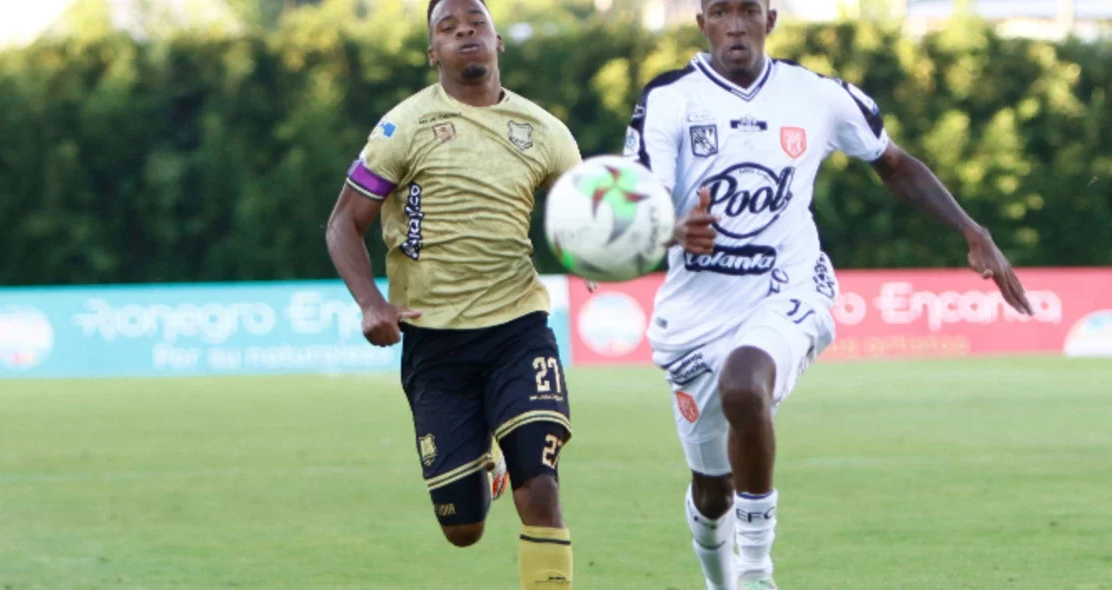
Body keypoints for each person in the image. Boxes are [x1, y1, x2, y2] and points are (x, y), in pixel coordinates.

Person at [623, 1, 1032, 588]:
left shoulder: (818, 96)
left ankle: (759, 571)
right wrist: (668, 227)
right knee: (712, 492)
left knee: (745, 384)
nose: (735, 23)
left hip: (789, 287)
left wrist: (973, 231)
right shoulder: (669, 98)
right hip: (694, 313)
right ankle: (723, 581)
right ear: (702, 23)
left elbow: (893, 164)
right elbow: (643, 198)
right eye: (721, 11)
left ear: (771, 19)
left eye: (748, 10)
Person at [324, 0, 581, 586]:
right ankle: (481, 465)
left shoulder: (546, 132)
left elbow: (585, 213)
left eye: (476, 23)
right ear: (432, 52)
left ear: (498, 42)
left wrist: (596, 253)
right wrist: (371, 303)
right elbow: (343, 224)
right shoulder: (402, 127)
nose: (465, 31)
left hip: (520, 329)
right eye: (448, 27)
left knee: (538, 485)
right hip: (435, 344)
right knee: (462, 528)